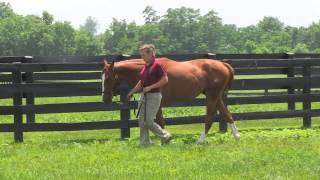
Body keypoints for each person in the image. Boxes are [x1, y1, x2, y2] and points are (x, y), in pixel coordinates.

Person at [127, 44, 172, 145]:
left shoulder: (157, 65)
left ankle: (165, 136)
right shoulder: (146, 66)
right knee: (142, 121)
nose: (142, 57)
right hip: (144, 96)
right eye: (141, 55)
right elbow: (141, 82)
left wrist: (151, 87)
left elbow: (165, 80)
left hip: (154, 96)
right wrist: (132, 92)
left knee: (148, 121)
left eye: (143, 55)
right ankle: (144, 143)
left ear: (151, 54)